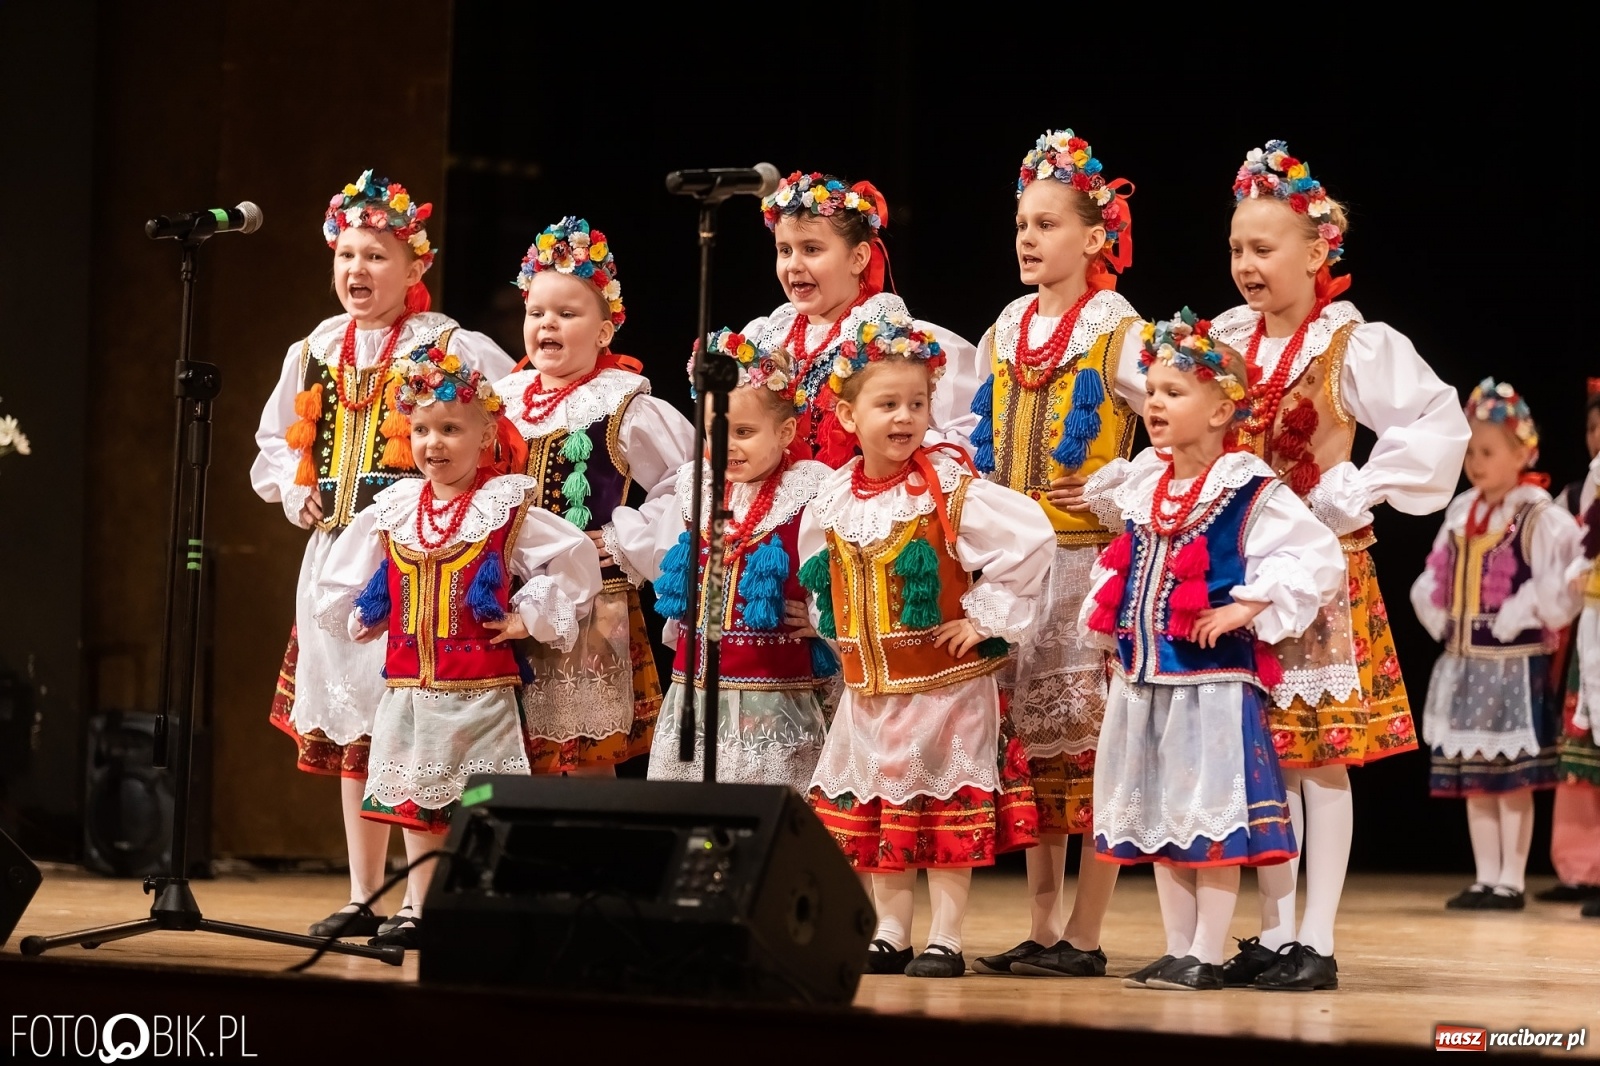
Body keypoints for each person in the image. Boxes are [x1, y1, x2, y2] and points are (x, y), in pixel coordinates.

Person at [1212, 141, 1470, 990]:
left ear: (1317, 251)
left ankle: (1316, 939)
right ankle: (1276, 927)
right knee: (1261, 754)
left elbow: (1438, 422)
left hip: (1319, 575)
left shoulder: (1351, 344)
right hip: (1240, 578)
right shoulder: (1222, 340)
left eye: (1265, 248)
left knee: (1317, 755)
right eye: (1238, 249)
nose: (1247, 264)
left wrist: (1353, 488)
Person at [251, 170, 515, 938]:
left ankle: (420, 899)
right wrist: (291, 488)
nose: (357, 271)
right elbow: (273, 442)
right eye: (347, 255)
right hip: (334, 556)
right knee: (351, 735)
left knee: (411, 729)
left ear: (415, 267)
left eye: (376, 256)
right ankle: (362, 893)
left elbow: (510, 419)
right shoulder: (315, 349)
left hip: (416, 564)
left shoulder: (450, 346)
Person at [1079, 309, 1343, 991]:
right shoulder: (1145, 486)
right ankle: (1177, 947)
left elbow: (1316, 558)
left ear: (1223, 408)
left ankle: (1207, 949)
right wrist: (1109, 628)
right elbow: (1126, 565)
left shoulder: (1247, 488)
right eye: (1153, 391)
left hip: (1211, 686)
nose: (1155, 404)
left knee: (1211, 818)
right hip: (1144, 679)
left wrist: (1247, 605)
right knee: (1163, 814)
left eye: (1173, 393)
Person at [313, 353, 600, 948]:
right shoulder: (394, 510)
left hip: (480, 690)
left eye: (450, 429)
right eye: (421, 430)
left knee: (477, 800)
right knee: (420, 800)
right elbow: (344, 582)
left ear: (487, 433)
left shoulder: (506, 505)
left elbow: (573, 561)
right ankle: (420, 904)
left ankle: (482, 902)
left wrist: (529, 617)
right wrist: (363, 616)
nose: (434, 444)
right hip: (410, 687)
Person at [798, 314, 1054, 978]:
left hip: (945, 690)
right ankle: (890, 929)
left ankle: (945, 937)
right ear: (849, 416)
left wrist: (986, 617)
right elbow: (821, 576)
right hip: (873, 695)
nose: (905, 417)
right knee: (883, 816)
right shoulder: (832, 497)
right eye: (887, 405)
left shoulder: (946, 490)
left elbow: (1029, 541)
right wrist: (841, 632)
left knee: (942, 813)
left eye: (917, 403)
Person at [957, 127, 1145, 978]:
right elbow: (972, 435)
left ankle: (1088, 932)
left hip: (1090, 565)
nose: (1029, 239)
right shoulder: (1005, 327)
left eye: (1048, 224)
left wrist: (1111, 484)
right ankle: (1039, 928)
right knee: (1035, 756)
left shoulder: (1117, 330)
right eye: (1022, 225)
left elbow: (1182, 422)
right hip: (1021, 566)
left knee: (1090, 748)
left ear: (1096, 237)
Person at [494, 217, 694, 776]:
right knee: (511, 757)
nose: (546, 325)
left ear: (605, 332)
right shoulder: (503, 399)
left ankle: (592, 861)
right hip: (506, 600)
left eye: (567, 313)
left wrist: (624, 538)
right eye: (536, 313)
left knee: (584, 759)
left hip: (589, 607)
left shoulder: (624, 403)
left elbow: (690, 479)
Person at [610, 331, 833, 789]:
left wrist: (824, 619)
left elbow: (835, 572)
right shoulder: (699, 488)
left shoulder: (809, 491)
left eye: (745, 432)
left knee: (765, 815)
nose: (728, 445)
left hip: (772, 692)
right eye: (717, 431)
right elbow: (670, 564)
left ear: (786, 431)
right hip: (696, 688)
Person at [1410, 379, 1582, 910]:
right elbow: (1432, 576)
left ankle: (1511, 877)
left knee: (1513, 780)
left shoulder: (1537, 516)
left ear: (1522, 452)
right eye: (1470, 453)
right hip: (1466, 662)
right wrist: (1438, 614)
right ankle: (1486, 875)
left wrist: (1521, 611)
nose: (1475, 463)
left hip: (1512, 663)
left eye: (1487, 452)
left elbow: (1561, 584)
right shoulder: (1462, 513)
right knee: (1476, 777)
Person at [742, 171, 977, 466]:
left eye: (811, 249)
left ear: (858, 258)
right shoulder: (767, 336)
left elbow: (970, 432)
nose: (794, 265)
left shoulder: (896, 339)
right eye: (785, 250)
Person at [1542, 381, 1600, 903]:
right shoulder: (1577, 495)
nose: (1597, 435)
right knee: (1580, 746)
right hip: (1589, 630)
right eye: (1591, 426)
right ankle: (1581, 866)